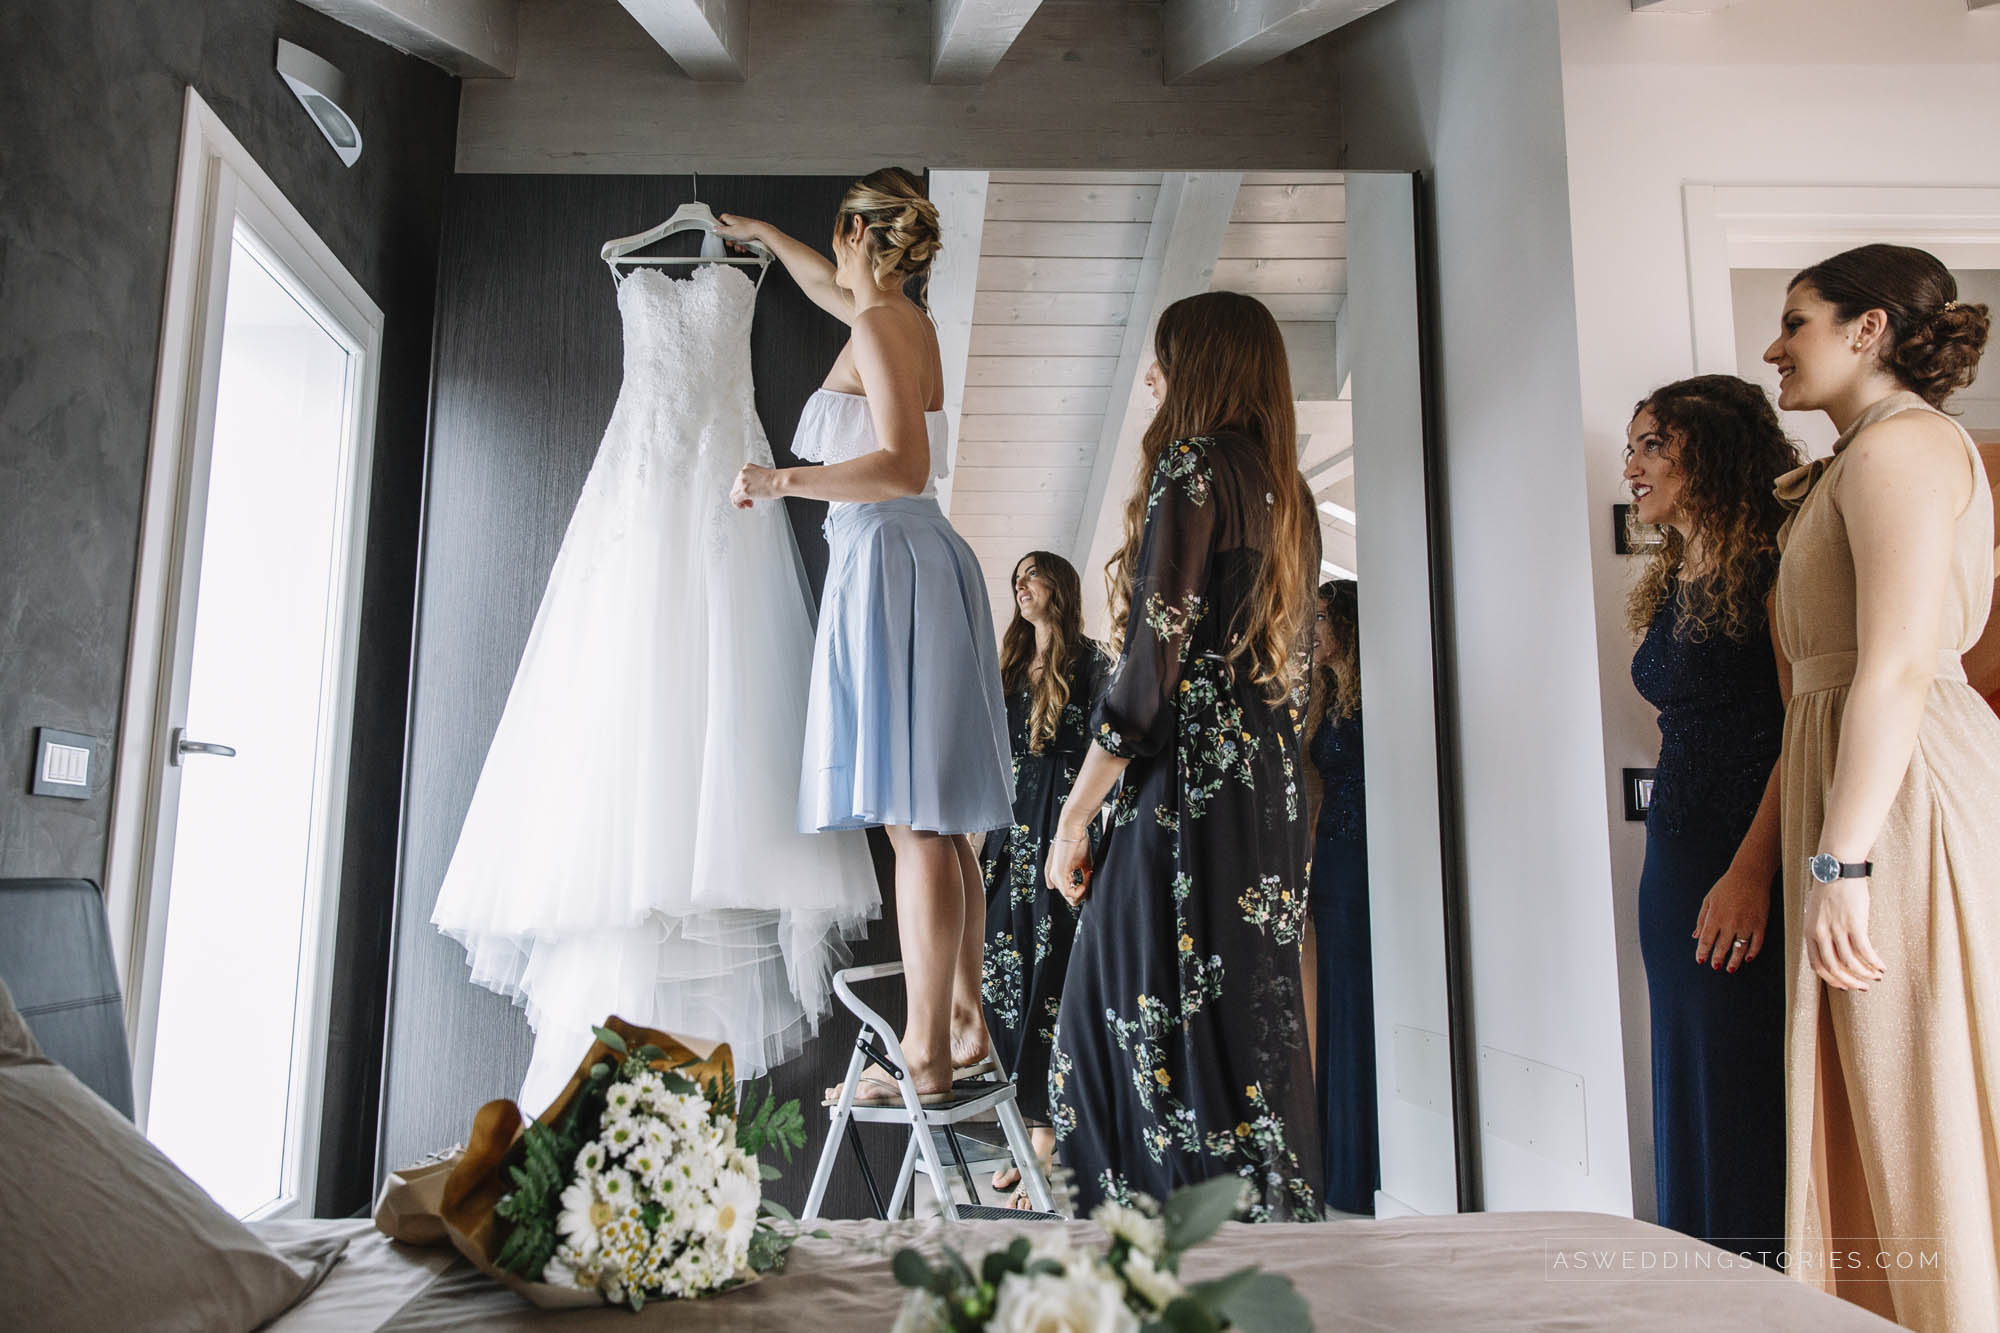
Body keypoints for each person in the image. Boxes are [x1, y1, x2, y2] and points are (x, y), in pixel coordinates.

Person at [718, 169, 1014, 1107]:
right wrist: (769, 235)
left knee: (915, 817)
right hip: (909, 557)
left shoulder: (883, 326)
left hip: (891, 556)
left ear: (856, 232)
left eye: (836, 237)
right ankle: (961, 1026)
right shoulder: (894, 319)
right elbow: (827, 283)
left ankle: (926, 1053)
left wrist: (779, 481)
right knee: (937, 816)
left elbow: (902, 464)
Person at [1043, 290, 1322, 1219]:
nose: (1151, 376)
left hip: (1190, 780)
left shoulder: (1193, 465)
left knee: (1109, 1015)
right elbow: (1299, 669)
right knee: (1243, 1031)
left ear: (1201, 363)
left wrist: (1073, 816)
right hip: (1266, 782)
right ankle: (1241, 1236)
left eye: (1164, 356)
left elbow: (1146, 672)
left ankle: (1150, 1242)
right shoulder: (1292, 491)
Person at [1761, 243, 1998, 1328]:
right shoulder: (1863, 454)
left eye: (1794, 321)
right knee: (1879, 1090)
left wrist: (1842, 860)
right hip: (1860, 783)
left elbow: (1898, 664)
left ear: (1867, 330)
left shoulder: (1903, 446)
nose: (1774, 348)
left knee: (1916, 1086)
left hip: (1900, 800)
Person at [1620, 376, 1799, 1258]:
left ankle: (1755, 1282)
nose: (1632, 465)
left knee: (1737, 1081)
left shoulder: (1776, 564)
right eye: (1632, 448)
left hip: (1744, 858)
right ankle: (1691, 1275)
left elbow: (1806, 729)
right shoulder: (1678, 573)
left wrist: (1752, 873)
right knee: (1686, 1069)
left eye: (1653, 444)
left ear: (1713, 451)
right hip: (1676, 859)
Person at [979, 551, 1109, 1203]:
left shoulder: (1092, 663)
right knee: (1001, 981)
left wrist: (1082, 834)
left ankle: (1045, 1136)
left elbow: (1110, 751)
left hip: (1060, 833)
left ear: (1059, 584)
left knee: (1050, 981)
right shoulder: (1007, 662)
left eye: (1031, 574)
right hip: (1007, 833)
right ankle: (1018, 1126)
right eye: (1016, 577)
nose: (1019, 584)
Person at [1303, 578, 1378, 1216]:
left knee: (1357, 1005)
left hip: (1365, 860)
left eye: (1323, 618)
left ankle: (1362, 1169)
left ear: (1349, 625)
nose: (1313, 629)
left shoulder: (1376, 690)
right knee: (1333, 1003)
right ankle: (1334, 1163)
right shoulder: (1324, 695)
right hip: (1329, 858)